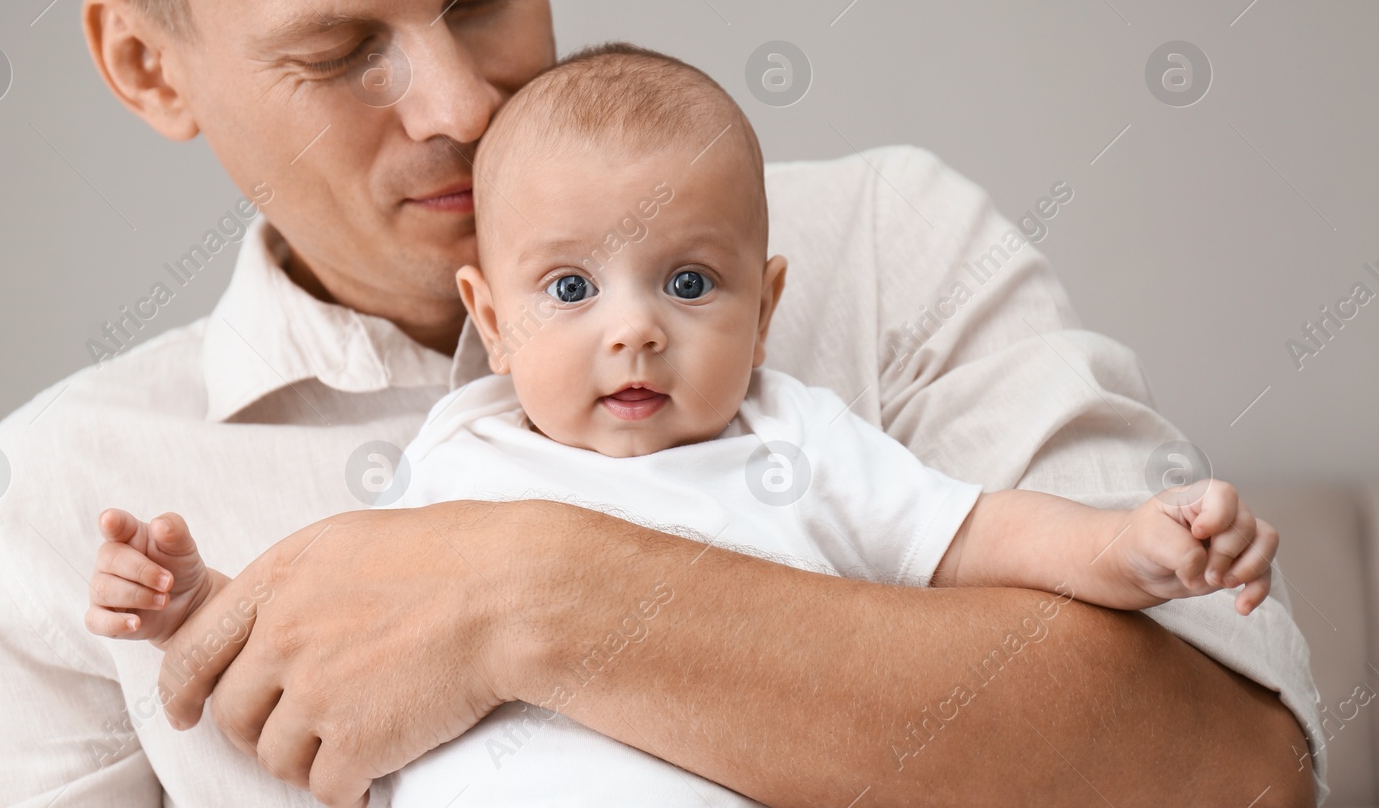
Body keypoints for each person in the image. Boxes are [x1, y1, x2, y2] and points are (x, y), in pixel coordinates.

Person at [0, 0, 1322, 806]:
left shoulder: (895, 253)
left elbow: (1234, 771)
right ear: (147, 64)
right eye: (345, 50)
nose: (463, 106)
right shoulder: (52, 504)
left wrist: (530, 593)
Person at [85, 47, 1283, 807]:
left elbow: (973, 531)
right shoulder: (458, 454)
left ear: (767, 306)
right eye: (570, 290)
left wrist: (1128, 545)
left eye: (689, 284)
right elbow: (328, 645)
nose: (633, 332)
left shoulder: (794, 440)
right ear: (488, 320)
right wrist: (193, 601)